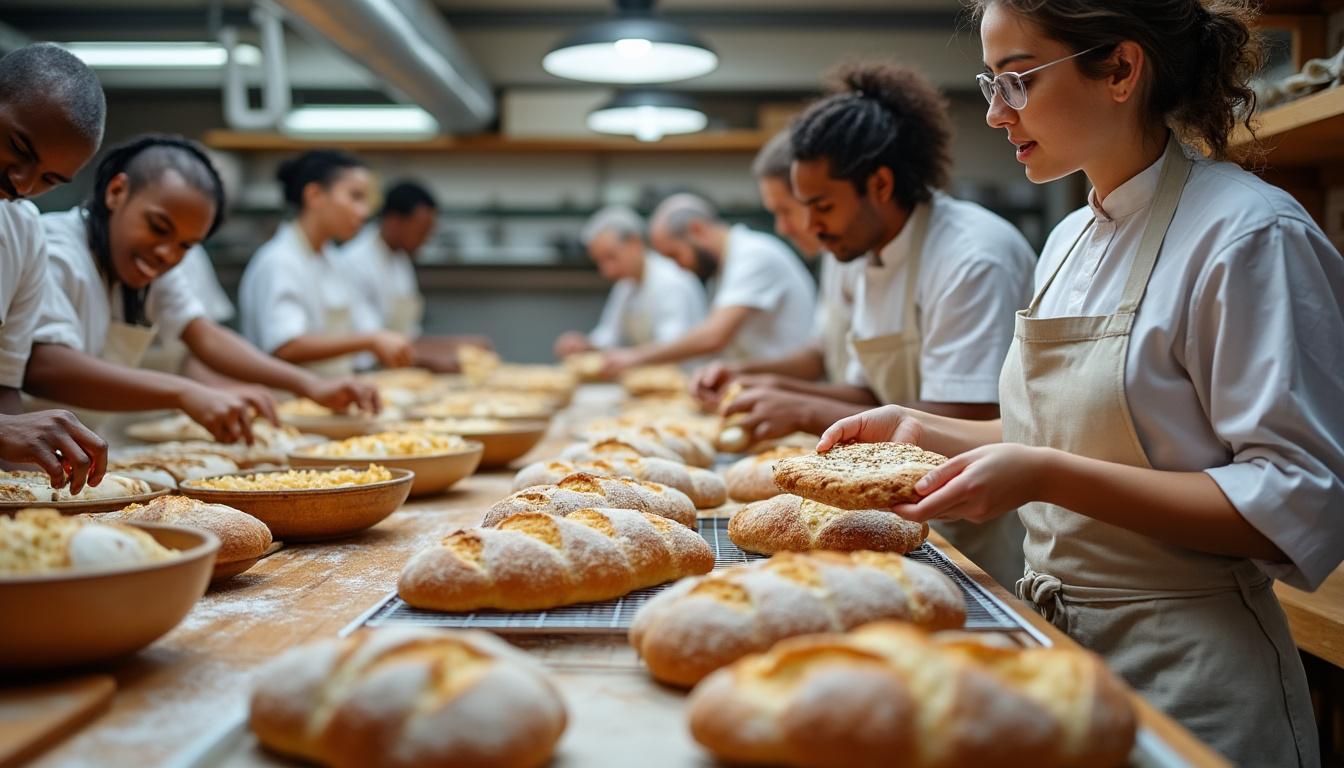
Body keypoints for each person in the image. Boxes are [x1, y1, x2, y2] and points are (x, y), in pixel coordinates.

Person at [820, 2, 1344, 763]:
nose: (997, 115)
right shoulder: (1069, 237)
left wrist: (1042, 474)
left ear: (1122, 70)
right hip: (1063, 658)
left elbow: (1294, 499)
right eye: (990, 84)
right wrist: (920, 431)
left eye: (1018, 81)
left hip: (1193, 677)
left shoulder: (1250, 236)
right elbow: (1063, 432)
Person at [711, 62, 1039, 588]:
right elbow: (870, 389)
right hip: (900, 521)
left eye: (822, 206)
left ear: (880, 184)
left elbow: (960, 419)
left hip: (975, 537)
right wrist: (773, 387)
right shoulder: (866, 254)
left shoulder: (971, 257)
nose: (812, 227)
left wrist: (803, 406)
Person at [25, 135, 379, 444]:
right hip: (21, 459)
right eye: (157, 227)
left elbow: (204, 335)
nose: (167, 253)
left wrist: (309, 386)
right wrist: (185, 393)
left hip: (77, 452)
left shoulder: (153, 268)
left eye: (185, 246)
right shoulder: (55, 249)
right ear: (116, 192)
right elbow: (47, 367)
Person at [0, 43, 108, 492]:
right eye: (18, 148)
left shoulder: (22, 231)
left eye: (49, 180)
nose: (22, 183)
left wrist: (37, 499)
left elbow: (3, 386)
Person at [690, 129, 859, 405]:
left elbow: (713, 336)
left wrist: (792, 401)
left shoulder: (754, 255)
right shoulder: (834, 259)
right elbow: (820, 356)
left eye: (786, 210)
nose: (781, 228)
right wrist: (743, 374)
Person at [239, 150, 414, 377]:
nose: (364, 211)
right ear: (315, 196)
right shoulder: (280, 261)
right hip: (289, 403)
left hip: (333, 395)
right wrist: (370, 340)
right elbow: (285, 346)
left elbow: (362, 327)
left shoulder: (333, 260)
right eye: (355, 197)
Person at [601, 193, 816, 374]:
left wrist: (635, 357)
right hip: (764, 383)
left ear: (697, 230)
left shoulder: (753, 255)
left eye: (675, 255)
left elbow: (714, 337)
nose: (679, 268)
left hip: (789, 387)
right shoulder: (723, 269)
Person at [338, 180, 491, 372]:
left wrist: (460, 345)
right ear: (394, 221)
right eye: (421, 231)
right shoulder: (355, 262)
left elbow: (408, 335)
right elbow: (373, 343)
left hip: (396, 369)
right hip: (367, 372)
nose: (424, 240)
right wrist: (435, 359)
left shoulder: (400, 260)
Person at [553, 205, 706, 359]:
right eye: (599, 262)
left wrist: (631, 357)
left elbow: (672, 344)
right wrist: (585, 345)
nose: (607, 270)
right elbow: (610, 335)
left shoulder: (672, 280)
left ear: (635, 242)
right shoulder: (625, 286)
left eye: (611, 257)